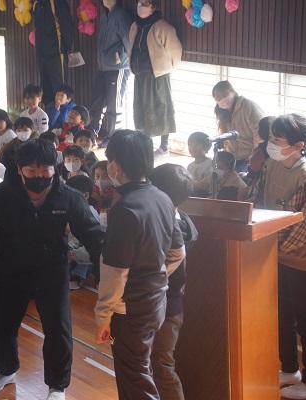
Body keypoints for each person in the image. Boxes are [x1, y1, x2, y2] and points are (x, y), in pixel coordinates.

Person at [0, 139, 103, 400]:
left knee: (58, 329)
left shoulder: (68, 197)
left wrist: (104, 276)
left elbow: (94, 236)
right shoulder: (0, 197)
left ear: (54, 168)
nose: (38, 176)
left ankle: (57, 386)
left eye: (44, 170)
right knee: (3, 324)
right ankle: (5, 370)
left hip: (51, 271)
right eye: (31, 171)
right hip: (10, 268)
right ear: (20, 169)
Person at [95, 129, 184, 400]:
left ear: (116, 165)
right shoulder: (162, 197)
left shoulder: (125, 208)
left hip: (130, 308)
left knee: (134, 378)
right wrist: (155, 275)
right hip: (157, 301)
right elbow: (177, 252)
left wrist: (103, 315)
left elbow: (115, 272)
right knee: (140, 369)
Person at [253, 115, 306, 399]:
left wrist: (276, 247)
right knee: (281, 314)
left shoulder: (305, 175)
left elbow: (304, 224)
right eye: (271, 138)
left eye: (278, 140)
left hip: (300, 259)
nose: (271, 144)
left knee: (305, 319)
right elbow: (259, 200)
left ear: (299, 146)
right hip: (273, 251)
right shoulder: (272, 165)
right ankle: (289, 368)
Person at [148, 163, 198, 400]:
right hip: (169, 304)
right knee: (156, 363)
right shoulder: (182, 219)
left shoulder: (173, 225)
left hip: (166, 305)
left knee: (161, 364)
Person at [128, 0, 182, 155]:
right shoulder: (135, 26)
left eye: (144, 4)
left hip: (158, 75)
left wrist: (165, 68)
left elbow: (175, 51)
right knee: (141, 109)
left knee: (162, 108)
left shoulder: (163, 27)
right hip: (139, 74)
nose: (140, 7)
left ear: (153, 7)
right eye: (139, 3)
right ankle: (145, 144)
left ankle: (164, 145)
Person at [89, 0, 132, 143]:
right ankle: (92, 133)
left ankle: (114, 138)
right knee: (97, 102)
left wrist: (129, 62)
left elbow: (128, 41)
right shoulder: (104, 15)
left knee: (115, 105)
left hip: (118, 67)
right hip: (103, 66)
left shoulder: (121, 15)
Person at [213, 80, 265, 172]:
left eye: (225, 95)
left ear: (233, 92)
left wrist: (253, 156)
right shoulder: (222, 112)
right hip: (231, 156)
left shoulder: (248, 106)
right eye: (219, 99)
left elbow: (259, 134)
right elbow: (224, 135)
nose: (223, 100)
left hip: (248, 157)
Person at [32, 0, 75, 106]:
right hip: (42, 54)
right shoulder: (37, 3)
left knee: (60, 91)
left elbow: (66, 25)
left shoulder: (58, 3)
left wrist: (66, 48)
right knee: (46, 89)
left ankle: (63, 116)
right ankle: (50, 115)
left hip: (56, 53)